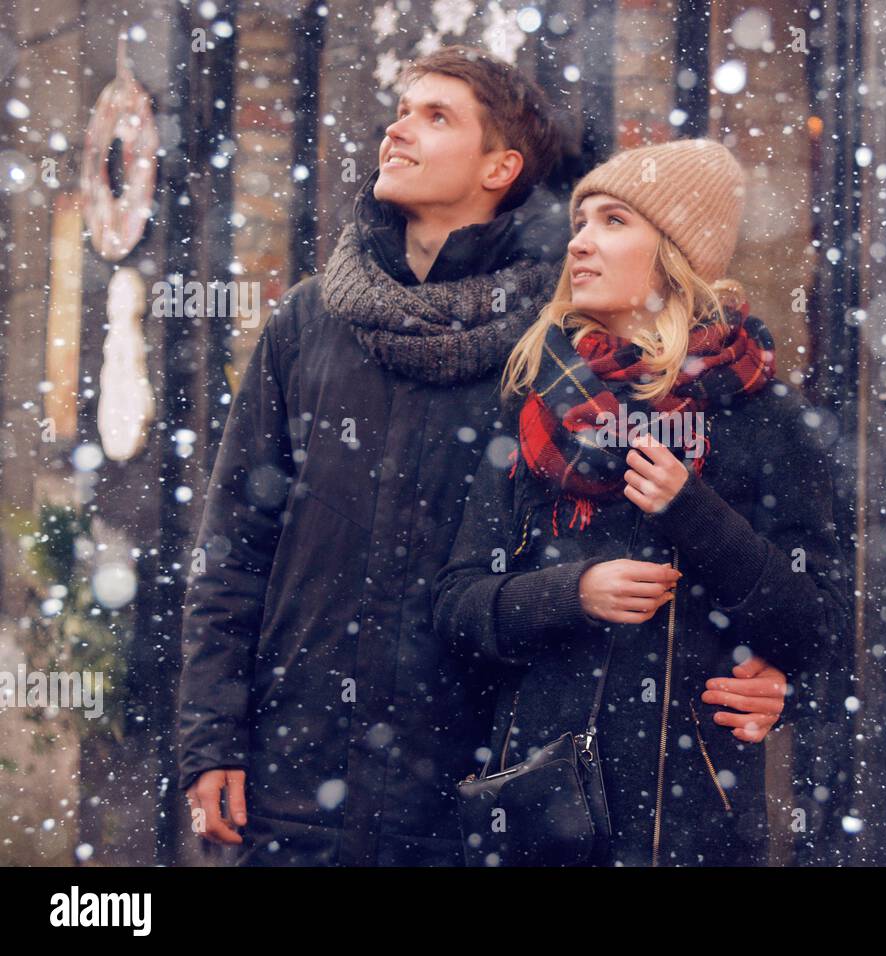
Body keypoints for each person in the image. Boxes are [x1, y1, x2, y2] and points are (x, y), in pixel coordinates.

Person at [176, 47, 788, 866]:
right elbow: (234, 549)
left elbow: (697, 526)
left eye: (436, 115)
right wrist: (212, 734)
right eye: (402, 109)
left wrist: (767, 671)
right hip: (299, 765)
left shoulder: (562, 341)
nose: (399, 129)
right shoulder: (306, 324)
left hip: (481, 776)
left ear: (502, 165)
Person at [432, 138, 850, 866]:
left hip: (688, 829)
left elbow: (817, 628)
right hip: (540, 815)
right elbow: (456, 609)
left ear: (675, 255)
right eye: (581, 223)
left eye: (613, 221)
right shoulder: (536, 406)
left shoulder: (766, 419)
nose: (582, 244)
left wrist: (694, 512)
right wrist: (574, 593)